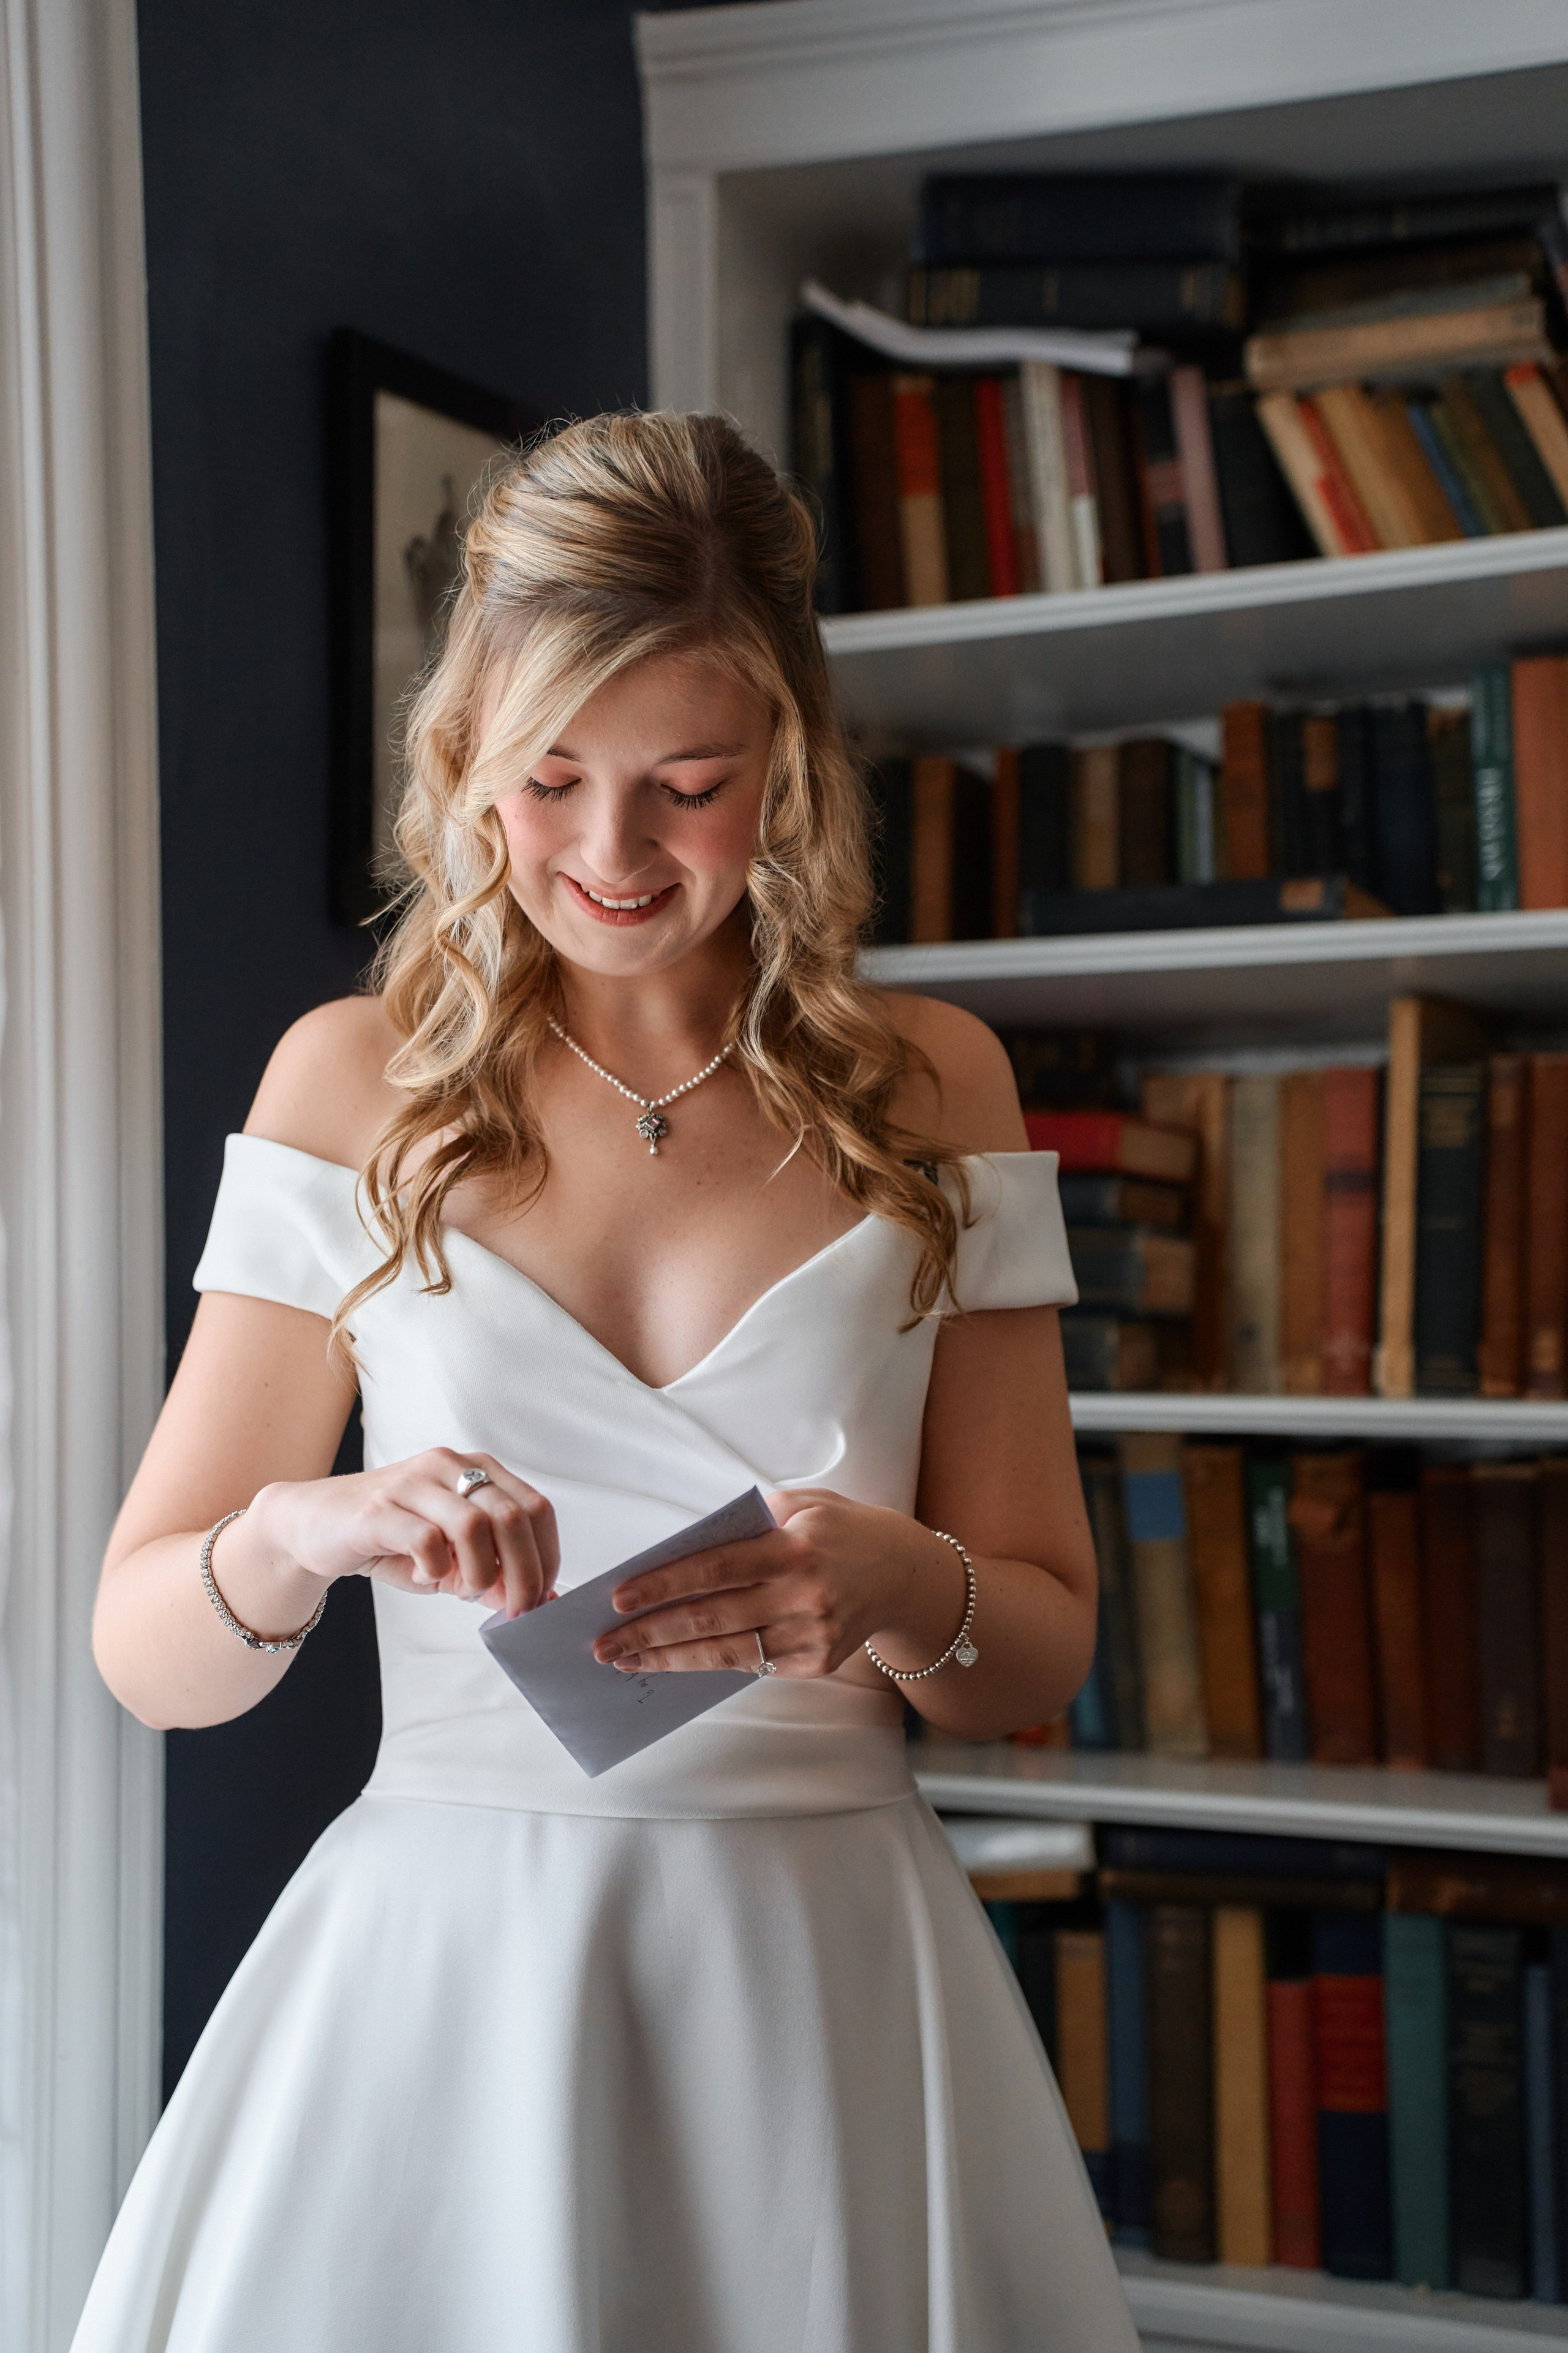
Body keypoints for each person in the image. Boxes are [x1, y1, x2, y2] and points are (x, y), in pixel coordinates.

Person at [75, 412, 1139, 2352]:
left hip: (823, 1975)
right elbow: (149, 1653)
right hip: (438, 1985)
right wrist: (310, 1526)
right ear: (464, 757)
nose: (611, 854)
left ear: (789, 771)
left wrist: (898, 1587)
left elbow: (1042, 1653)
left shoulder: (938, 1089)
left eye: (688, 783)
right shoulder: (350, 1083)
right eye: (548, 776)